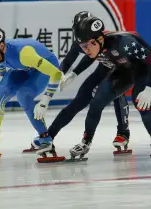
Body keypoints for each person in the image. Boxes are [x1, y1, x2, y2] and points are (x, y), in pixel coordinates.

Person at [41, 16, 151, 166]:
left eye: (89, 45)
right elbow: (75, 59)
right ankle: (86, 141)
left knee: (140, 101)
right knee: (96, 102)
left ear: (100, 39)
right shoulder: (90, 43)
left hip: (142, 70)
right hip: (121, 71)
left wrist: (149, 88)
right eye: (83, 47)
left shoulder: (124, 43)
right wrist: (72, 74)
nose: (86, 50)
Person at [35, 11, 131, 159]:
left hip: (119, 66)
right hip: (104, 67)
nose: (84, 41)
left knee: (118, 94)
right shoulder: (81, 38)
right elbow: (67, 62)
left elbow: (90, 58)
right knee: (78, 101)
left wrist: (74, 74)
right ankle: (50, 136)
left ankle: (123, 133)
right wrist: (57, 79)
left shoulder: (101, 38)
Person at [0, 26, 62, 158]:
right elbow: (3, 70)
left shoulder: (24, 54)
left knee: (23, 95)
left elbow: (56, 73)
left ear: (2, 46)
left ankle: (45, 139)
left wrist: (45, 101)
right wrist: (5, 88)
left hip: (45, 66)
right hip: (24, 68)